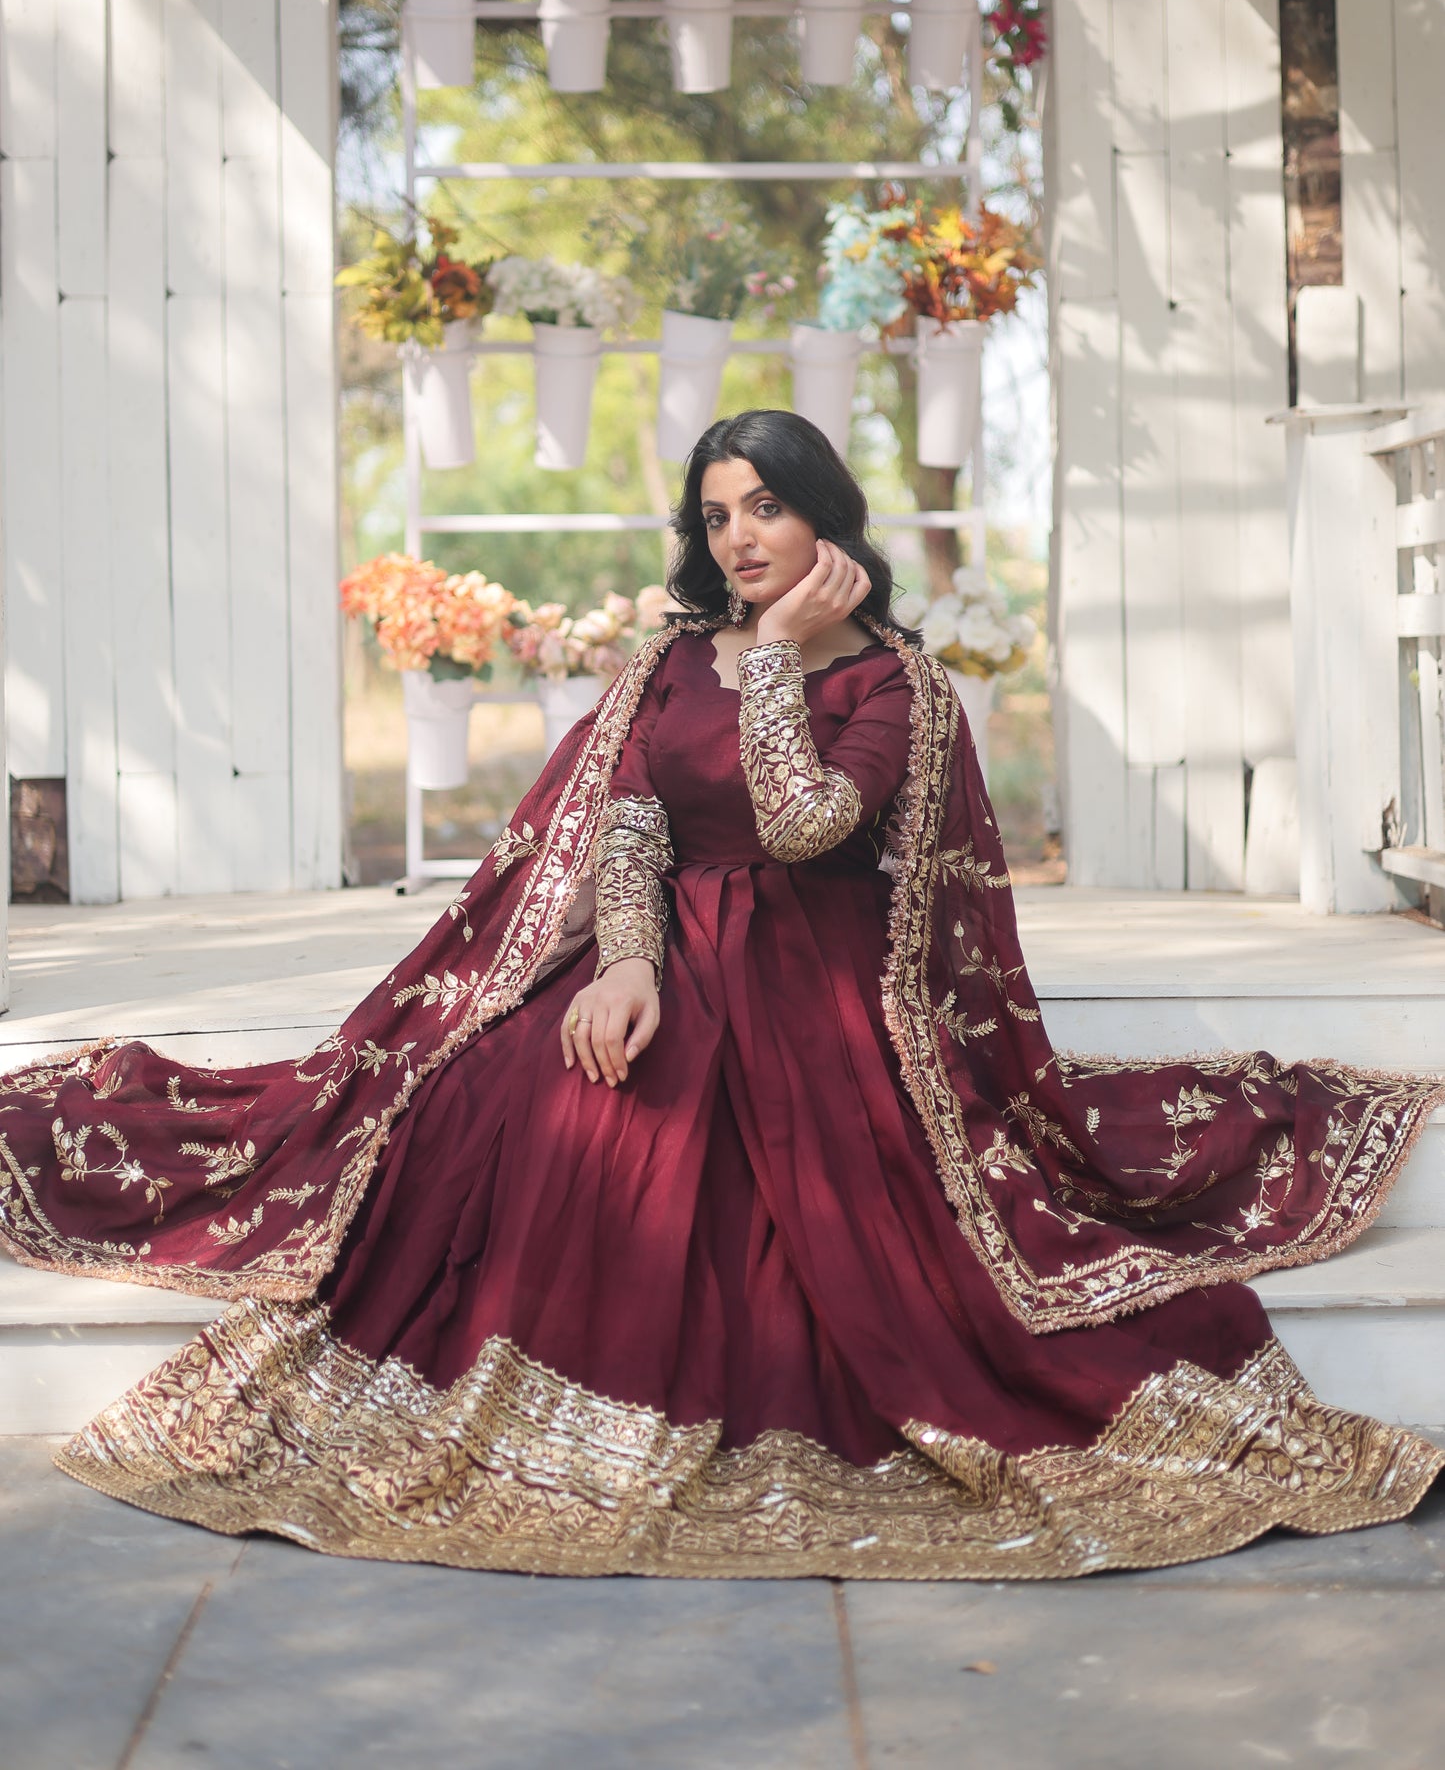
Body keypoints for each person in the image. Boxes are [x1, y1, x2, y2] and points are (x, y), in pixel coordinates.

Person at [1, 409, 1440, 1579]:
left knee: (778, 1176)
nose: (738, 539)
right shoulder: (667, 657)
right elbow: (627, 816)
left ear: (825, 518)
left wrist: (772, 672)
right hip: (660, 947)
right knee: (498, 1094)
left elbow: (809, 822)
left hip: (817, 984)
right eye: (715, 516)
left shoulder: (897, 688)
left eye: (764, 508)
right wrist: (623, 960)